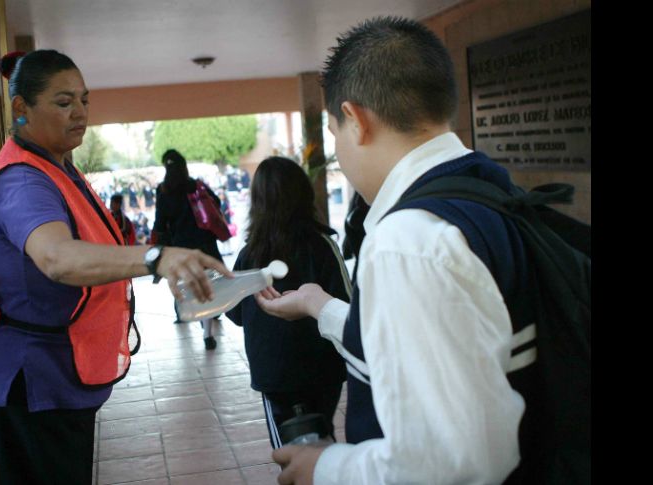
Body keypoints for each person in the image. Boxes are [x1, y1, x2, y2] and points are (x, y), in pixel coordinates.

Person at [257, 16, 535, 484]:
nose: (339, 157)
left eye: (334, 134)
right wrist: (318, 305)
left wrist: (328, 467)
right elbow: (444, 341)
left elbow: (450, 462)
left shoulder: (406, 242)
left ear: (357, 120)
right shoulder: (487, 191)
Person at [0, 49, 230, 485]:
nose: (81, 113)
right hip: (31, 376)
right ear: (20, 108)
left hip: (58, 369)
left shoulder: (57, 167)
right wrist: (155, 257)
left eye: (84, 100)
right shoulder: (22, 180)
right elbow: (57, 257)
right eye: (64, 102)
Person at [225, 156, 350, 449]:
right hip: (323, 370)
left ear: (257, 202)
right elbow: (346, 303)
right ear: (304, 195)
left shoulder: (249, 255)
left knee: (287, 450)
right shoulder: (322, 245)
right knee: (323, 438)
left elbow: (236, 314)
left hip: (274, 372)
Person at [152, 148, 224, 350]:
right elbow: (216, 203)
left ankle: (184, 313)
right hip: (205, 246)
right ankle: (207, 333)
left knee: (187, 285)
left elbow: (160, 223)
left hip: (181, 250)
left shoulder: (164, 191)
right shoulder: (196, 186)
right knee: (208, 287)